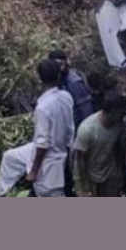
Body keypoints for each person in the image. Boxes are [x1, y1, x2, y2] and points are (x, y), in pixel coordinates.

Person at [0, 59, 74, 197]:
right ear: (58, 76)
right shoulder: (66, 97)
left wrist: (33, 171)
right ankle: (2, 193)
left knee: (48, 192)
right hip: (57, 148)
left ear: (40, 78)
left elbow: (43, 144)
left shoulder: (43, 108)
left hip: (49, 157)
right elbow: (70, 129)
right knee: (10, 157)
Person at [49, 49, 95, 196]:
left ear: (66, 63)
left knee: (75, 170)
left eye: (60, 64)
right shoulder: (58, 80)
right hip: (63, 133)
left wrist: (82, 140)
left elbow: (86, 112)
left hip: (75, 134)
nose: (59, 68)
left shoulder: (73, 83)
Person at [72, 93, 126, 197]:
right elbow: (81, 160)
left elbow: (118, 148)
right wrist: (84, 186)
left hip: (109, 173)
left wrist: (119, 172)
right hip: (89, 175)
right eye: (121, 112)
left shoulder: (119, 124)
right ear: (110, 112)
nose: (124, 115)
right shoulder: (87, 130)